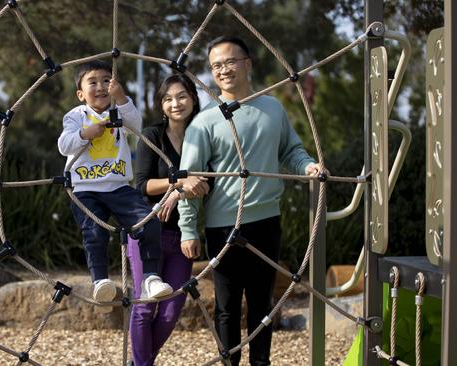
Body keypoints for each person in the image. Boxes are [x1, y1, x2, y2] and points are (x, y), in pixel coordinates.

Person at [177, 36, 323, 366]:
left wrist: (309, 165)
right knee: (227, 307)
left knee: (263, 305)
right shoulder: (204, 121)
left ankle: (261, 363)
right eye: (216, 65)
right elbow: (190, 180)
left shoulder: (273, 108)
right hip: (223, 226)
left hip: (266, 223)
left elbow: (291, 152)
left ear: (248, 64)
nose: (223, 70)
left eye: (230, 61)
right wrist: (188, 229)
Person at [58, 60, 173, 309]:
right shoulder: (76, 116)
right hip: (86, 189)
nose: (100, 86)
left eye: (106, 80)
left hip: (119, 187)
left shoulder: (118, 111)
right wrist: (84, 134)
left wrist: (122, 98)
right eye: (93, 82)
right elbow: (64, 145)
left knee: (149, 222)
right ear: (80, 94)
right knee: (94, 232)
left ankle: (151, 277)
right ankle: (100, 281)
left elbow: (136, 127)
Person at [128, 74, 210, 366]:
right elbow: (140, 185)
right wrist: (177, 184)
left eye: (182, 96)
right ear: (161, 104)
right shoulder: (152, 135)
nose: (176, 103)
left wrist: (182, 190)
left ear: (194, 98)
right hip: (148, 230)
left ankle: (142, 361)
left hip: (182, 234)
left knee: (171, 310)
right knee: (144, 306)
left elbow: (208, 180)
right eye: (168, 98)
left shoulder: (203, 134)